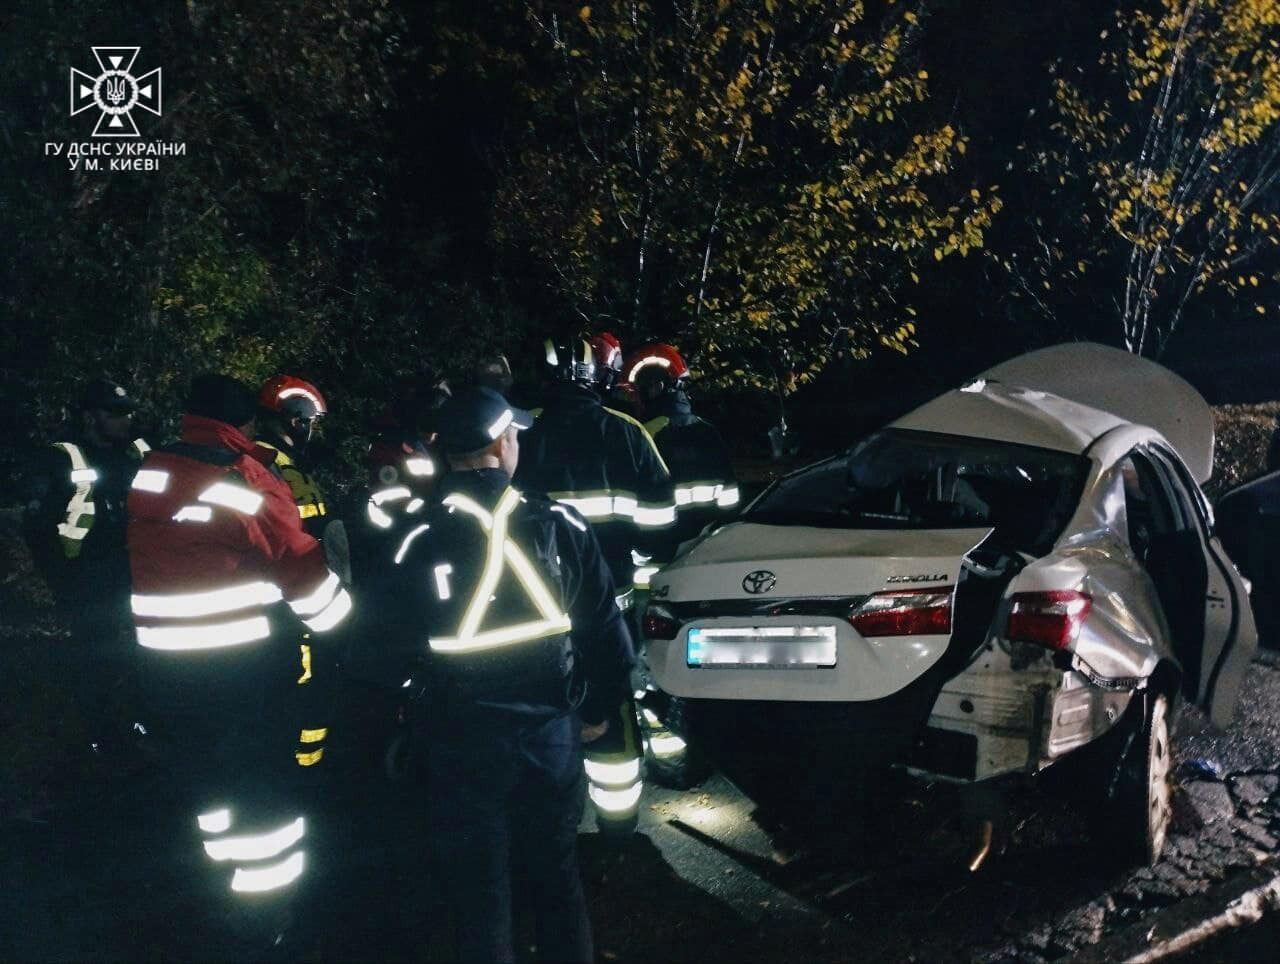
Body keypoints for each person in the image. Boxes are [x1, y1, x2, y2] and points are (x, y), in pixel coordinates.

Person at [390, 386, 634, 963]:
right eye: (514, 434)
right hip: (551, 734)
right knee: (556, 880)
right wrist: (597, 711)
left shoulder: (413, 539)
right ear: (501, 445)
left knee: (480, 893)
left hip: (460, 739)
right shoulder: (562, 523)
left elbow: (379, 650)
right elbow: (607, 634)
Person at [127, 374, 353, 943]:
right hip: (241, 668)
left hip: (166, 666)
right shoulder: (248, 479)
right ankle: (267, 921)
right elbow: (301, 571)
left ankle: (221, 884)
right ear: (246, 426)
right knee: (264, 795)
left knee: (209, 784)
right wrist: (349, 631)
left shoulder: (154, 467)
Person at [514, 336, 676, 834]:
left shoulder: (522, 434)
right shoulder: (627, 432)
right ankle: (618, 823)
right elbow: (660, 521)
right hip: (610, 604)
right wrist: (638, 562)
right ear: (599, 377)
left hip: (532, 612)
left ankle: (546, 821)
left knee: (540, 707)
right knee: (612, 703)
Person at [21, 376, 152, 758]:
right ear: (90, 417)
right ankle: (102, 739)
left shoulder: (138, 453)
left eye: (127, 412)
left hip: (138, 573)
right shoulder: (63, 457)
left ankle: (139, 728)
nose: (124, 420)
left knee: (140, 656)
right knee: (97, 661)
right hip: (88, 579)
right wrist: (63, 579)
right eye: (115, 413)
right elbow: (39, 526)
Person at [624, 342, 739, 553]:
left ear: (654, 388)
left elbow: (636, 501)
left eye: (636, 391)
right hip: (708, 548)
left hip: (660, 551)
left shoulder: (644, 435)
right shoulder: (708, 431)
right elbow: (729, 498)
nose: (634, 399)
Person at [255, 374, 330, 540]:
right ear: (297, 421)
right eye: (311, 422)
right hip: (287, 558)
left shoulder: (288, 460)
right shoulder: (264, 458)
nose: (313, 431)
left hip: (306, 556)